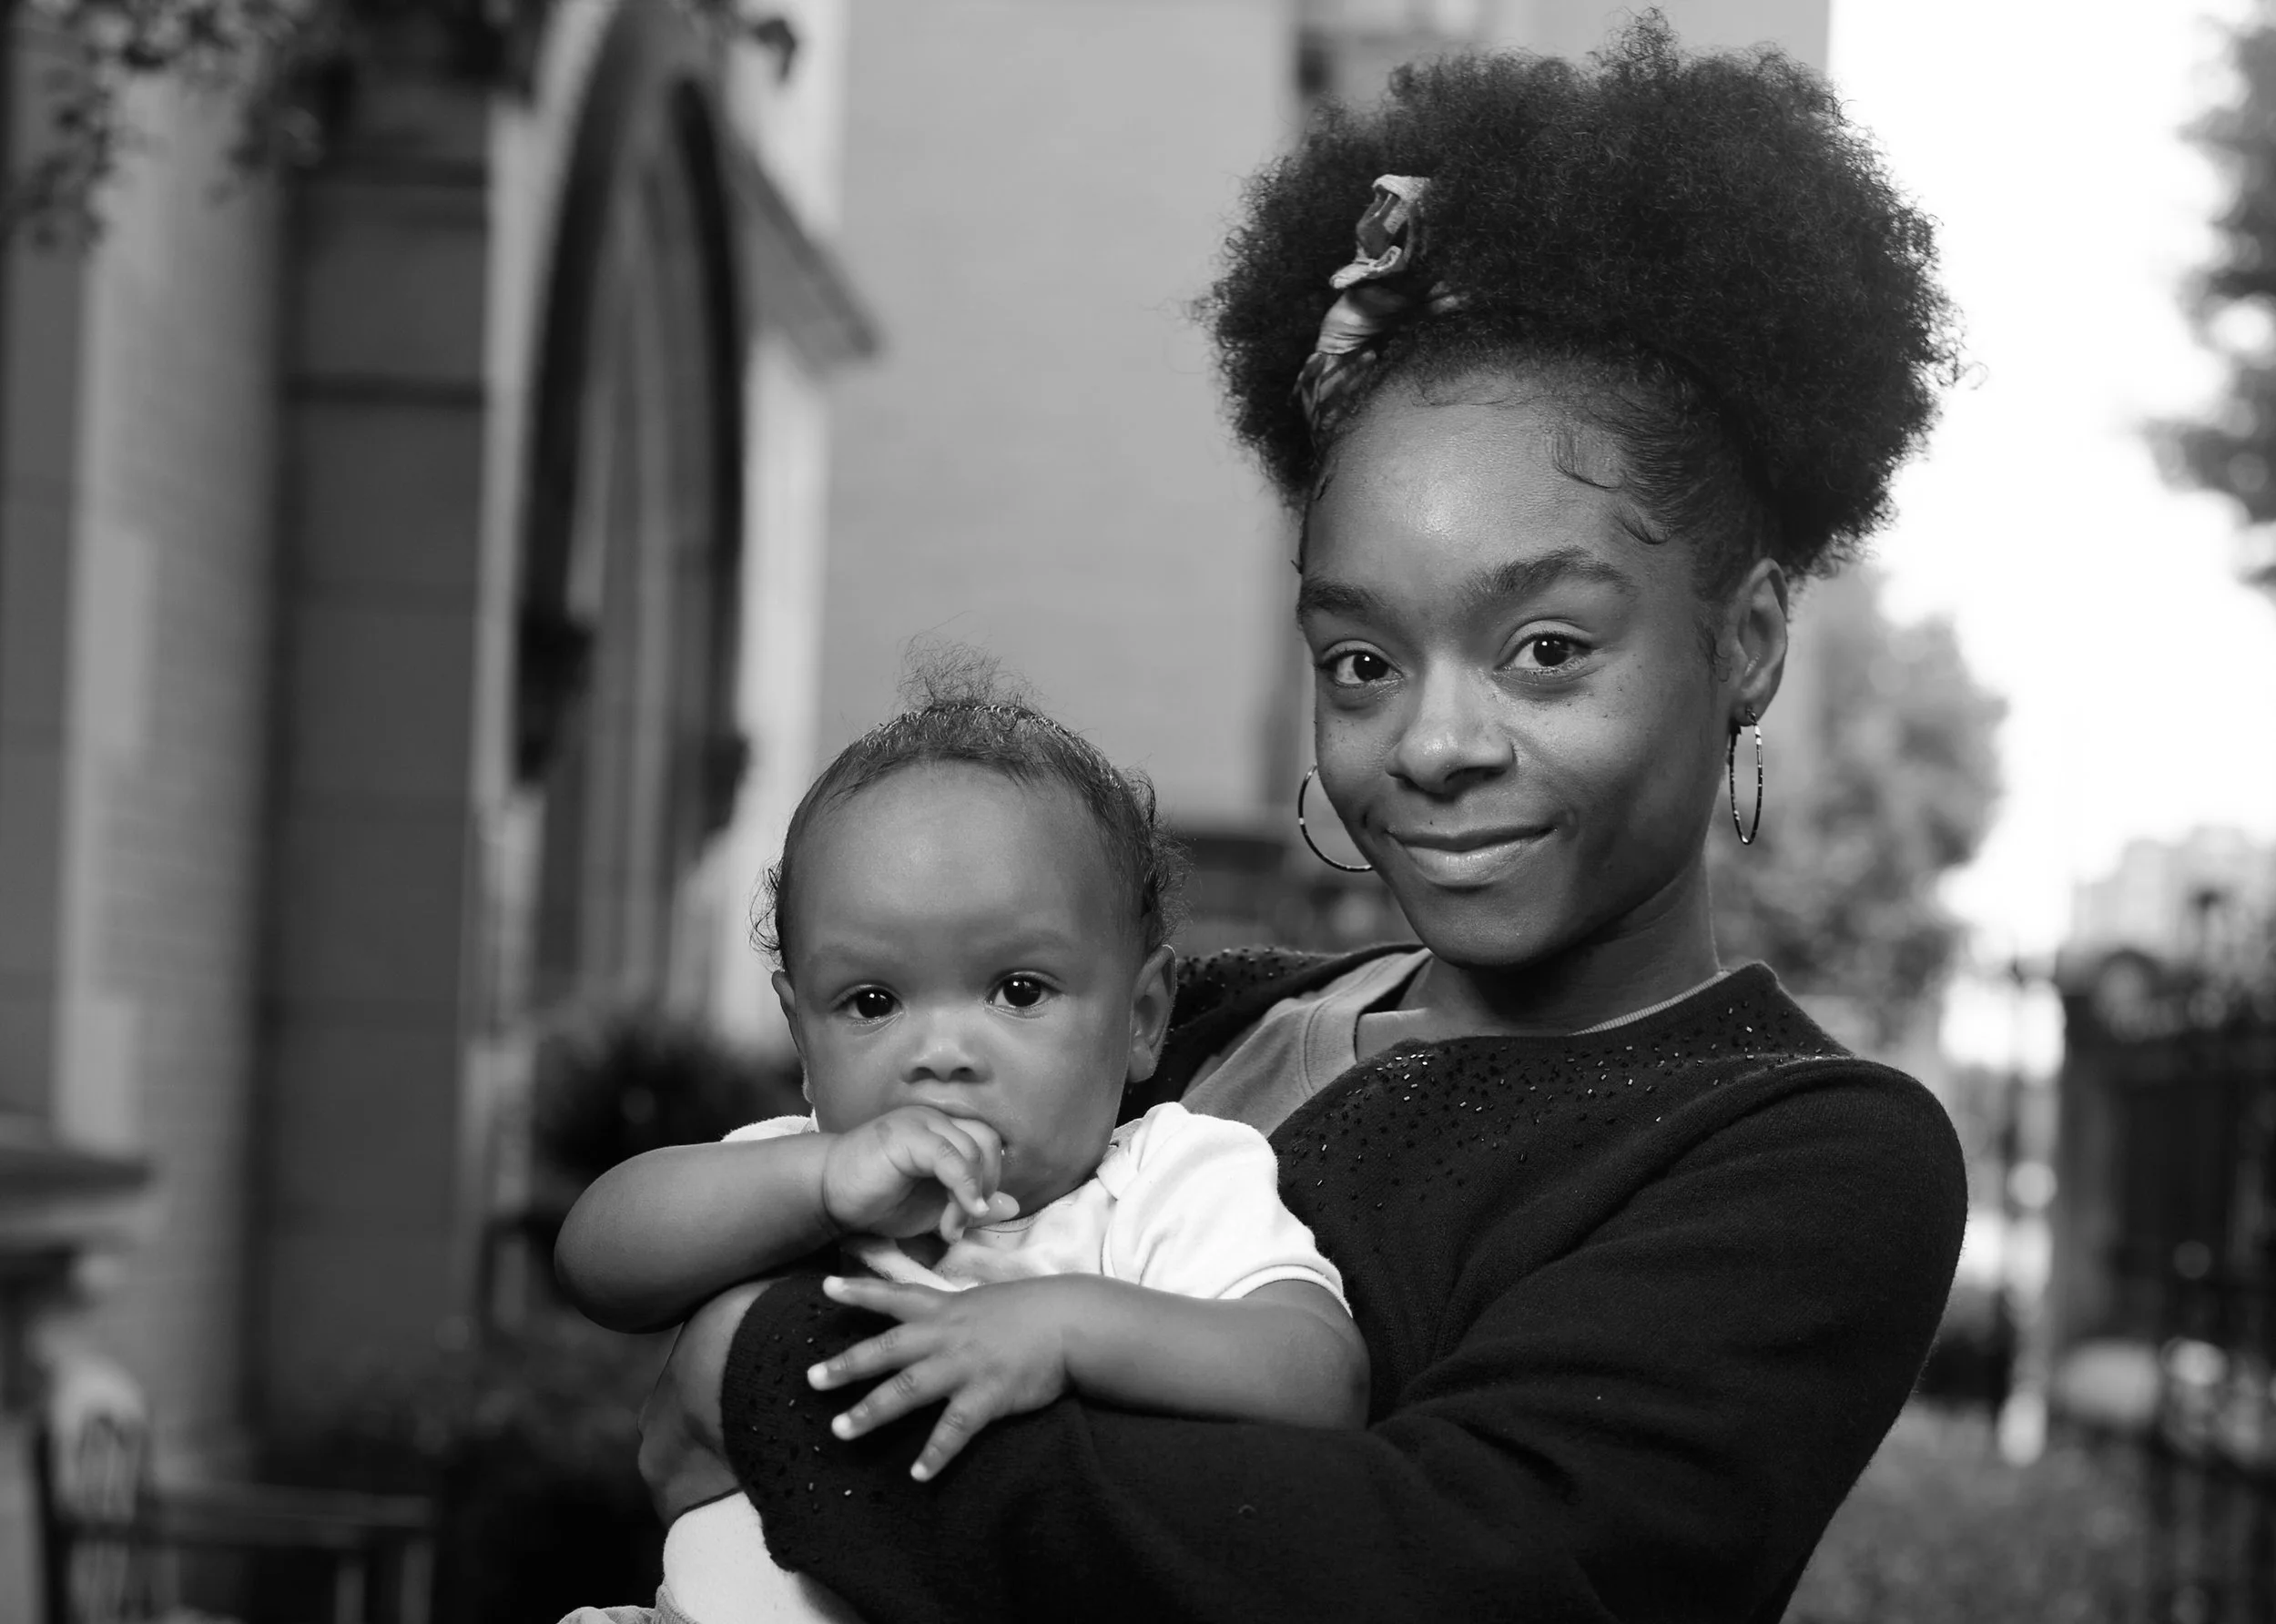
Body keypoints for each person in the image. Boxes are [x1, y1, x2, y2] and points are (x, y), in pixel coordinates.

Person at [639, 17, 1970, 1623]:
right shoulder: (1186, 1017)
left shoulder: (1805, 1155)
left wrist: (760, 1372)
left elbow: (1439, 1577)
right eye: (1362, 660)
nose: (1437, 742)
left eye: (1548, 649)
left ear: (1746, 639)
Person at [554, 677, 1367, 1624]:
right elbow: (595, 1260)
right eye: (871, 1002)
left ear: (1143, 1016)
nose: (940, 1052)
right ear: (801, 1033)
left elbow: (1319, 1375)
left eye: (1018, 990)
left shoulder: (1167, 1185)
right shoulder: (801, 1175)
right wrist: (819, 1183)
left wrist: (1066, 1329)